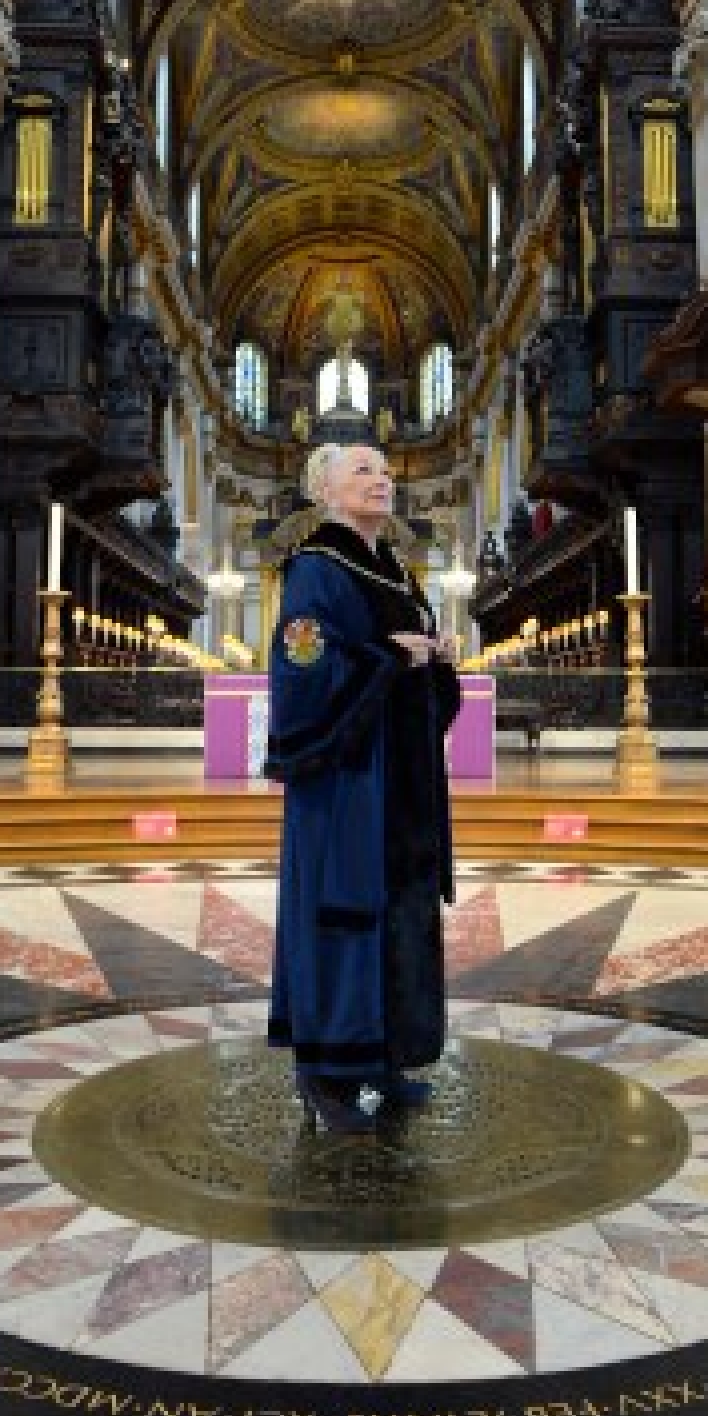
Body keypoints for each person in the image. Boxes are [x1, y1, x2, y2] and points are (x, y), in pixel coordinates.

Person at [265, 442, 462, 1134]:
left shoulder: (398, 572)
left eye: (384, 471)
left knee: (400, 905)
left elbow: (411, 667)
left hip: (402, 773)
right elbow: (301, 658)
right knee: (344, 910)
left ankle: (385, 1056)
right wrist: (388, 658)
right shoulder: (315, 565)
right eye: (362, 471)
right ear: (325, 490)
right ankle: (325, 1074)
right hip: (346, 776)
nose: (381, 480)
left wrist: (437, 660)